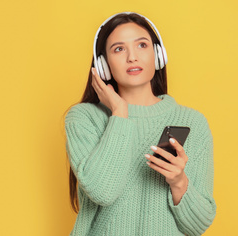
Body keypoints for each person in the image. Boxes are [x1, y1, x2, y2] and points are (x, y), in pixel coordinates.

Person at [64, 12, 216, 236]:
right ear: (103, 65)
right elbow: (103, 191)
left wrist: (178, 182)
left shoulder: (192, 122)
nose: (132, 57)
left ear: (158, 54)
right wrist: (119, 113)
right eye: (119, 49)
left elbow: (198, 226)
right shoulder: (84, 118)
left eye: (142, 45)